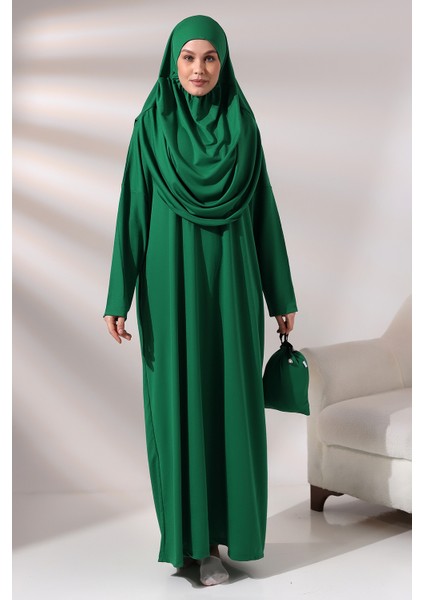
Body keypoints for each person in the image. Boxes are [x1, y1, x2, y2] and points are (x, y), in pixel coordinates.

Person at [103, 15, 297, 586]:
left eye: (209, 57)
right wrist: (118, 295)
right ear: (172, 62)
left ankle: (225, 534)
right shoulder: (151, 126)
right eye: (188, 57)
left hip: (233, 284)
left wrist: (280, 295)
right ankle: (191, 546)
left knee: (229, 401)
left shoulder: (243, 125)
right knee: (178, 403)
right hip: (170, 284)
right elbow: (133, 210)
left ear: (224, 62)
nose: (198, 69)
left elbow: (263, 212)